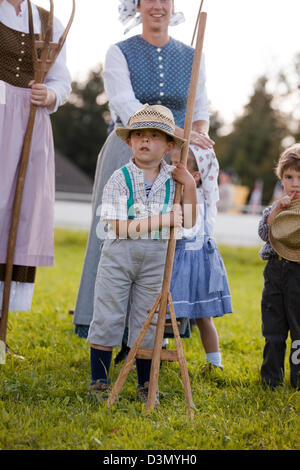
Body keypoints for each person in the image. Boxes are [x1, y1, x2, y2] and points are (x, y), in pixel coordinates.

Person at [73, 0, 214, 338]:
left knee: (168, 240)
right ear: (135, 6)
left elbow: (201, 109)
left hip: (175, 159)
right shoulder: (119, 52)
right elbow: (127, 107)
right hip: (127, 151)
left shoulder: (193, 55)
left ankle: (159, 329)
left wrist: (195, 146)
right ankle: (110, 329)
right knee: (118, 236)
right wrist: (179, 134)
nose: (157, 5)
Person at [87, 104, 198, 403]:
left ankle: (146, 383)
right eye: (139, 135)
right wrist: (163, 219)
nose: (145, 140)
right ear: (128, 141)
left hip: (156, 259)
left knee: (148, 322)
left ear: (169, 145)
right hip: (119, 256)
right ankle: (99, 380)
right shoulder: (119, 178)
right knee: (108, 315)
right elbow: (117, 226)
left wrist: (189, 186)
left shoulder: (174, 180)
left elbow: (187, 220)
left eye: (154, 136)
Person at [0, 1, 71, 323]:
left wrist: (51, 94)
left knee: (22, 210)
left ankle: (1, 328)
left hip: (31, 119)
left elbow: (62, 79)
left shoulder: (47, 20)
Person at [168, 145, 232, 371]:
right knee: (168, 313)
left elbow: (187, 228)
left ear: (195, 176)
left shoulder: (197, 200)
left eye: (177, 164)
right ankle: (162, 352)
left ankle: (214, 362)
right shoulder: (171, 194)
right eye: (171, 162)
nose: (171, 168)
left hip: (195, 262)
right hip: (176, 260)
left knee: (204, 316)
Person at [258, 143, 300, 390]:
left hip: (298, 273)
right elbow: (265, 233)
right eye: (289, 177)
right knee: (273, 328)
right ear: (281, 178)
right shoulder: (275, 207)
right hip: (275, 269)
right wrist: (276, 210)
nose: (295, 183)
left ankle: (297, 378)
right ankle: (270, 378)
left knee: (298, 329)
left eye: (299, 177)